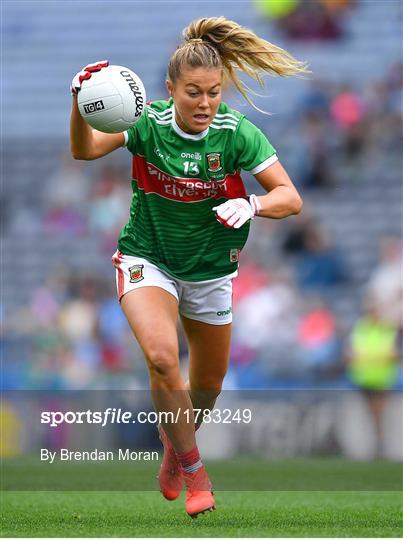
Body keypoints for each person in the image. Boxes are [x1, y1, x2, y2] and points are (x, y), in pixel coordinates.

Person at [70, 16, 307, 518]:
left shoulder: (236, 135)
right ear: (170, 89)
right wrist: (78, 104)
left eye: (214, 93)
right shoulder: (145, 125)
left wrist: (255, 206)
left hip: (210, 271)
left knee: (208, 386)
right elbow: (84, 149)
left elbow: (290, 197)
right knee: (161, 357)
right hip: (147, 258)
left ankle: (173, 450)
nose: (204, 104)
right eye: (194, 92)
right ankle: (196, 470)